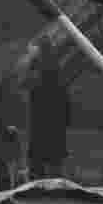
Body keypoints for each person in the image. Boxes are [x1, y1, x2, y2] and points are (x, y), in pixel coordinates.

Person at [26, 37, 70, 179]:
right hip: (52, 119)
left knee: (41, 158)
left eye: (31, 47)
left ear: (38, 48)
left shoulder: (41, 67)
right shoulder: (52, 65)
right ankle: (52, 185)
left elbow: (33, 87)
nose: (29, 50)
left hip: (43, 117)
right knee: (52, 158)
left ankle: (41, 185)